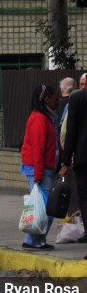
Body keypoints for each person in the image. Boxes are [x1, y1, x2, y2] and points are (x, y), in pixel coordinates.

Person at [20, 84, 59, 250]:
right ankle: (32, 240)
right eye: (55, 98)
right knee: (43, 209)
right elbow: (38, 148)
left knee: (44, 209)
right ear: (47, 98)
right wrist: (38, 173)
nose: (58, 101)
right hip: (39, 170)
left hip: (44, 169)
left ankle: (37, 240)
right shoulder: (39, 119)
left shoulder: (47, 117)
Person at [60, 83, 87, 250]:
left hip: (83, 157)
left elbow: (71, 132)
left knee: (84, 196)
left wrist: (65, 161)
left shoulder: (77, 98)